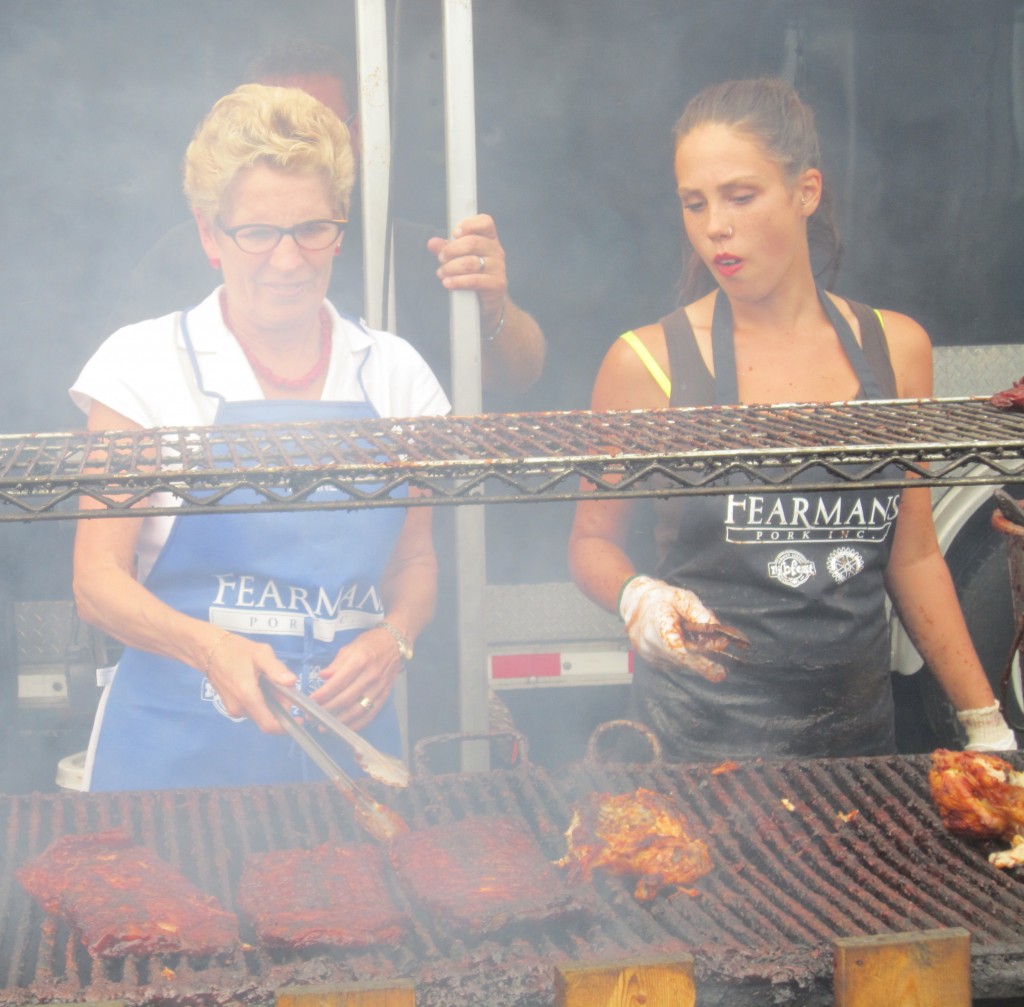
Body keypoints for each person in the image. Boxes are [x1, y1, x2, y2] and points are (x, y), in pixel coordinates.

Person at [568, 77, 1016, 763]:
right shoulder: (646, 363)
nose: (715, 225)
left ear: (805, 192)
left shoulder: (895, 349)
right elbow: (591, 543)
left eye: (740, 196)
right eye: (695, 203)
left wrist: (984, 721)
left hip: (856, 753)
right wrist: (637, 596)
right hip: (695, 753)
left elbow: (915, 553)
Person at [71, 84, 449, 791]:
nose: (289, 259)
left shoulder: (397, 375)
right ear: (211, 235)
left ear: (340, 226)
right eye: (258, 232)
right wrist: (212, 648)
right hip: (170, 755)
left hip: (350, 759)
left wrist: (394, 637)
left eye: (313, 228)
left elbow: (417, 563)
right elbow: (95, 583)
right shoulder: (142, 366)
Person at [106, 40, 545, 397]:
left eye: (321, 126)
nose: (287, 260)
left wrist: (492, 311)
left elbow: (513, 379)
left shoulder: (417, 262)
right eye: (274, 127)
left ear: (355, 135)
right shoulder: (172, 262)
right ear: (209, 233)